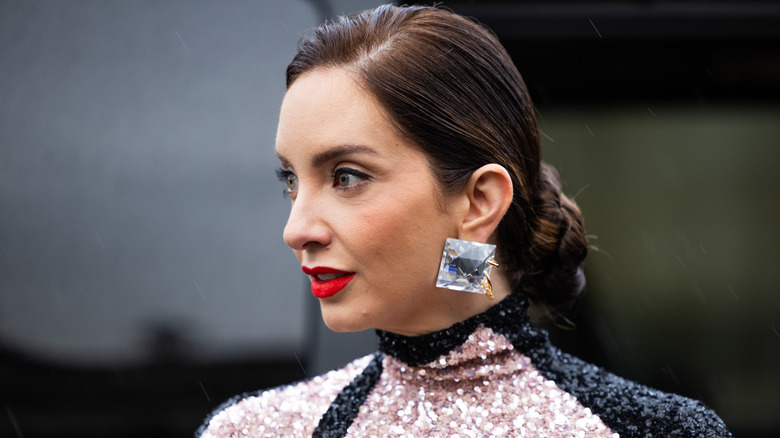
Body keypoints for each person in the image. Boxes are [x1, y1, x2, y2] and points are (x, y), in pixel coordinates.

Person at [197, 4, 731, 437]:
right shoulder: (255, 430)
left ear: (478, 202)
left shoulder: (650, 430)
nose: (296, 229)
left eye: (346, 176)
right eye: (290, 181)